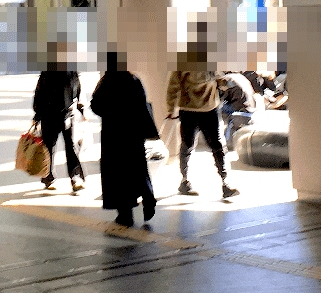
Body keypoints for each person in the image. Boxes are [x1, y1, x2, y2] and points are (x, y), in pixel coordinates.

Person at [165, 24, 238, 199]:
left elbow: (218, 78)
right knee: (197, 145)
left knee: (206, 146)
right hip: (194, 109)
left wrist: (225, 82)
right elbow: (173, 86)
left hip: (205, 108)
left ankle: (222, 182)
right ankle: (188, 181)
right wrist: (171, 108)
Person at [90, 53, 158, 226]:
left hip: (113, 136)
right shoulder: (133, 80)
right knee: (138, 168)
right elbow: (143, 106)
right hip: (133, 135)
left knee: (117, 174)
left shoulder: (106, 82)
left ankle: (125, 213)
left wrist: (111, 113)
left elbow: (95, 105)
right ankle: (148, 198)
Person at [32, 45, 85, 192]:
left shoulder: (49, 71)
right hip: (62, 115)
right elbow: (77, 91)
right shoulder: (69, 70)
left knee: (52, 147)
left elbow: (39, 93)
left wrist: (37, 113)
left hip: (54, 115)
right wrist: (80, 109)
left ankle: (50, 177)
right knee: (69, 147)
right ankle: (74, 177)